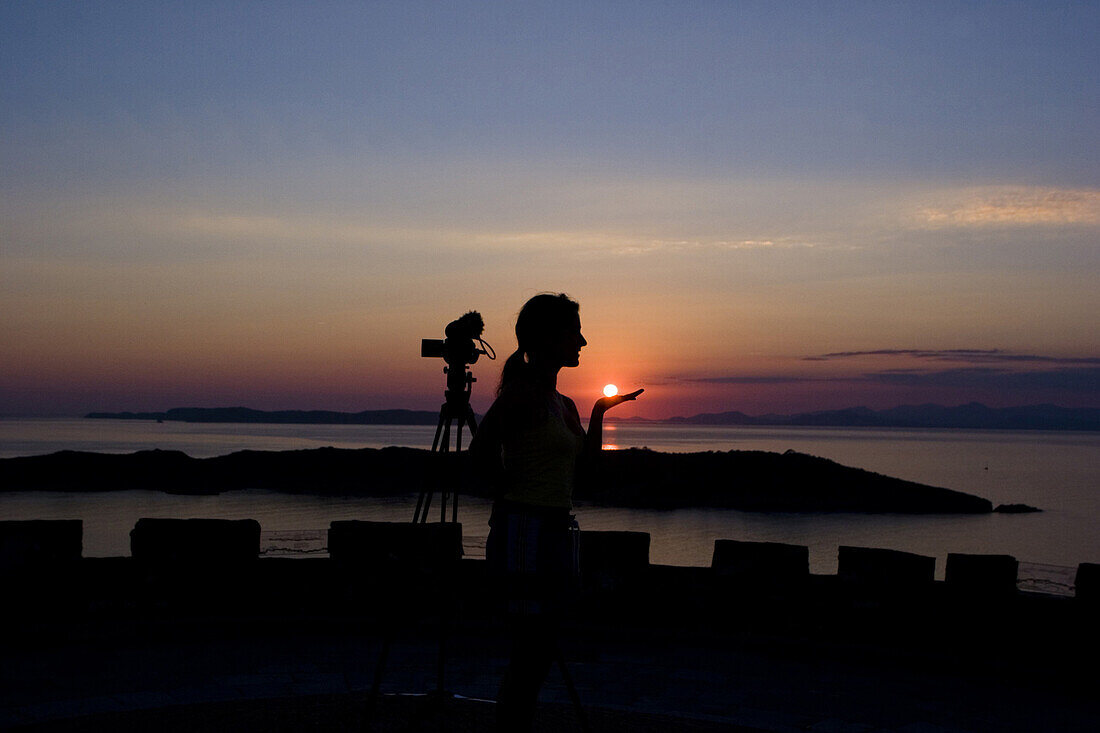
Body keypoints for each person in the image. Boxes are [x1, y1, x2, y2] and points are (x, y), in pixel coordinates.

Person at [469, 292, 642, 732]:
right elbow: (480, 453)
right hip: (525, 530)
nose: (582, 341)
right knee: (531, 650)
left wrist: (600, 412)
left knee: (542, 648)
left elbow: (588, 471)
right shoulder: (521, 396)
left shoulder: (564, 404)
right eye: (574, 332)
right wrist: (511, 500)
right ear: (548, 338)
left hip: (557, 531)